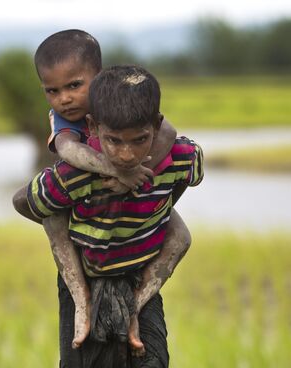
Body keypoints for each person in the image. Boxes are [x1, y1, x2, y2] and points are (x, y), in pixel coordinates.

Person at [14, 65, 203, 367]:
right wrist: (74, 227)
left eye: (139, 140)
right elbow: (25, 201)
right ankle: (82, 304)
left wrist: (156, 210)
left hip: (139, 273)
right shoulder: (74, 173)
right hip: (87, 276)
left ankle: (135, 311)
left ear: (156, 126)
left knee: (151, 359)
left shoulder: (181, 156)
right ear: (94, 126)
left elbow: (190, 171)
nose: (126, 156)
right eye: (114, 141)